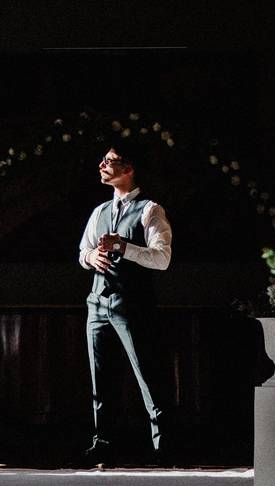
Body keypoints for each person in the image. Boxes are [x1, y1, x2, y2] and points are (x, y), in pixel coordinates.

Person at [78, 142, 173, 466]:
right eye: (102, 159)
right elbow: (83, 253)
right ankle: (102, 445)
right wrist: (93, 256)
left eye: (110, 160)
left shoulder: (150, 210)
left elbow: (162, 259)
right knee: (100, 377)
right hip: (98, 302)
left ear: (129, 168)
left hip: (133, 303)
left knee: (147, 375)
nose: (102, 165)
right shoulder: (99, 212)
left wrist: (124, 247)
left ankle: (164, 448)